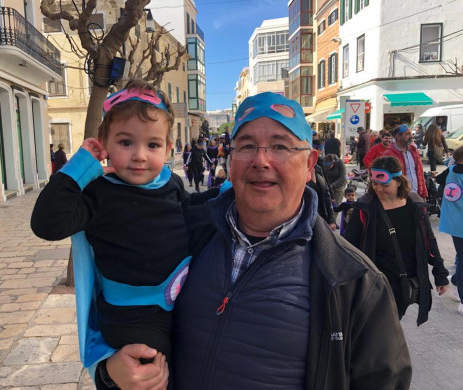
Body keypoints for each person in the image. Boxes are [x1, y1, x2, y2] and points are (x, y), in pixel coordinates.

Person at [108, 92, 411, 389]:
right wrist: (110, 371)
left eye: (280, 146)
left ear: (309, 165)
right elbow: (117, 308)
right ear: (231, 159)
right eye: (247, 146)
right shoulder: (184, 233)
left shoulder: (354, 281)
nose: (260, 160)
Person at [31, 79, 215, 389]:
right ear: (104, 142)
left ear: (168, 148)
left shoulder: (169, 182)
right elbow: (47, 224)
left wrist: (223, 194)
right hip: (132, 320)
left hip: (177, 308)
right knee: (152, 379)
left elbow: (188, 209)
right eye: (126, 142)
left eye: (153, 145)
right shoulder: (99, 194)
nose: (140, 155)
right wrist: (81, 166)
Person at [344, 156, 449, 325]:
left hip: (407, 280)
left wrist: (440, 274)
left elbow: (429, 242)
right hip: (376, 281)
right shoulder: (365, 208)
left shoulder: (415, 205)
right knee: (382, 327)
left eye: (385, 185)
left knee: (390, 324)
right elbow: (349, 246)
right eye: (375, 184)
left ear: (399, 181)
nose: (379, 189)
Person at [439, 145, 463, 315]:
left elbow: (439, 180)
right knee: (462, 262)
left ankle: (455, 281)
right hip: (458, 224)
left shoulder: (451, 170)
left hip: (455, 223)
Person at [382, 124, 428, 199]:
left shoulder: (414, 151)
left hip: (416, 193)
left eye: (411, 134)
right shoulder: (389, 154)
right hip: (400, 196)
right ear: (398, 136)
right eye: (407, 134)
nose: (411, 136)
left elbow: (420, 173)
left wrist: (423, 193)